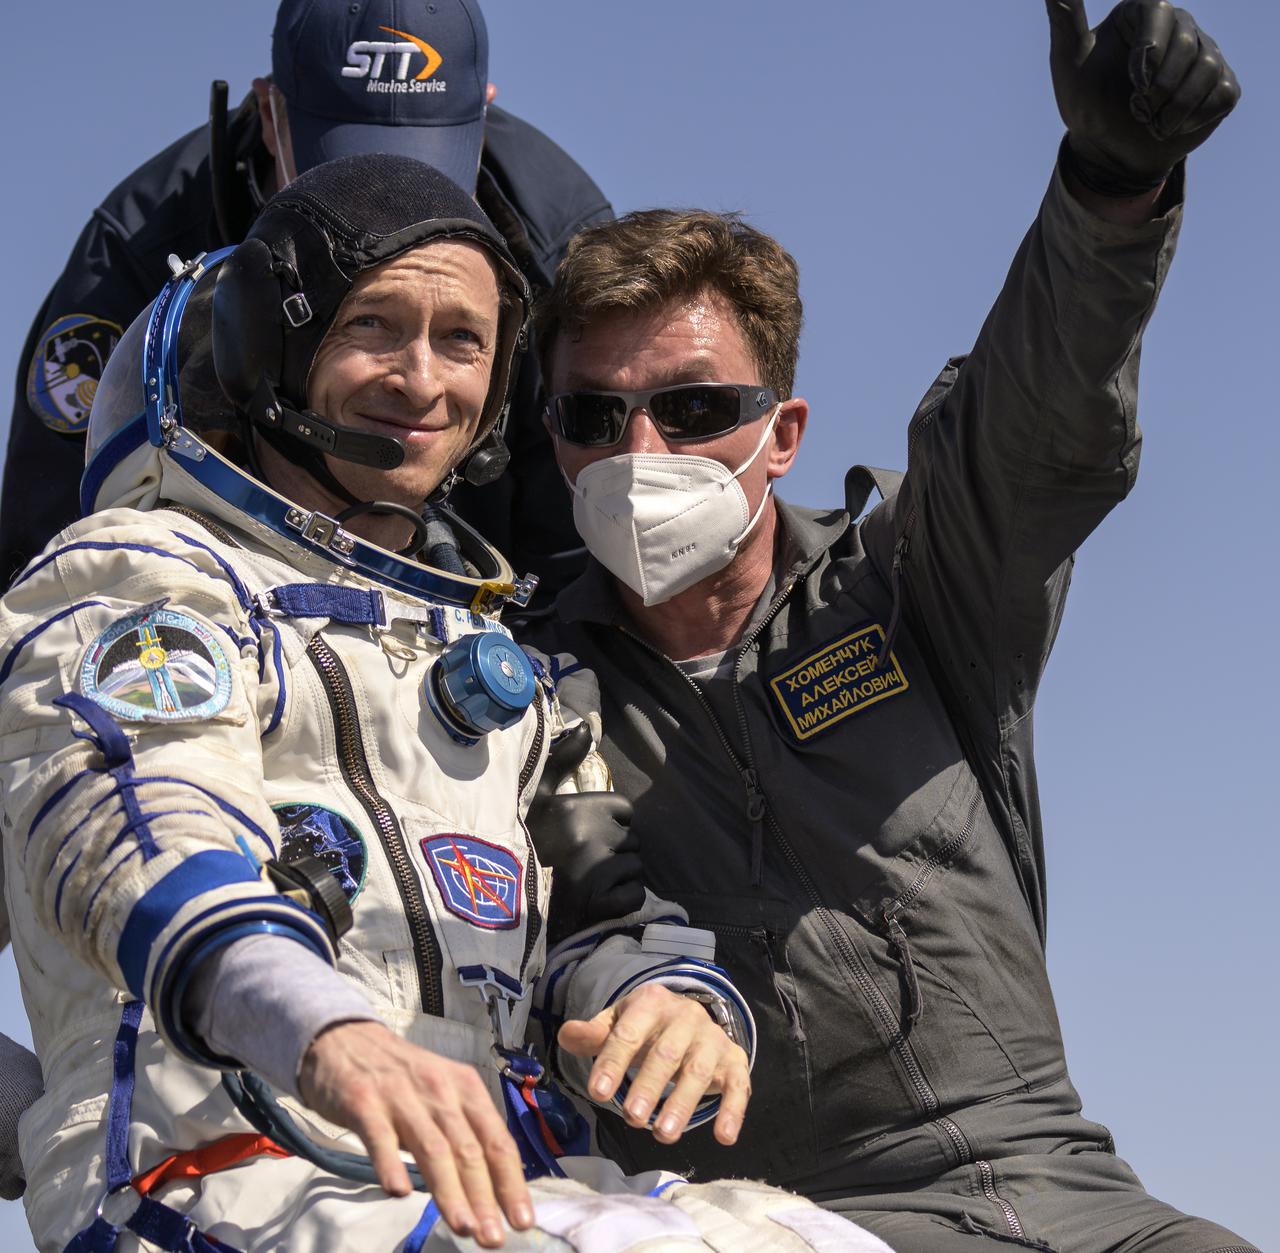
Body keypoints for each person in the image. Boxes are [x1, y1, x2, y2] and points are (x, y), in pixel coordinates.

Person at [0, 155, 891, 1252]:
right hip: (211, 1161)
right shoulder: (140, 573)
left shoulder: (484, 652)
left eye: (462, 340)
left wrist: (668, 999)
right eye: (374, 326)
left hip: (486, 1172)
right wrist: (319, 1026)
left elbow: (593, 911)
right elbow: (143, 832)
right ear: (271, 346)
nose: (422, 379)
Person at [526, 2, 1257, 1250]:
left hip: (1064, 1187)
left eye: (692, 405)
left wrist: (1107, 190)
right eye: (595, 417)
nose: (638, 451)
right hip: (780, 1222)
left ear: (782, 432)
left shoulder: (912, 583)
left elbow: (1033, 423)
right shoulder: (517, 694)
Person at [0, 0, 604, 607]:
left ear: (484, 110)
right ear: (270, 113)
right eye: (348, 172)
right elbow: (57, 534)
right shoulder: (140, 251)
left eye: (429, 165)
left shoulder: (563, 259)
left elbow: (579, 552)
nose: (395, 205)